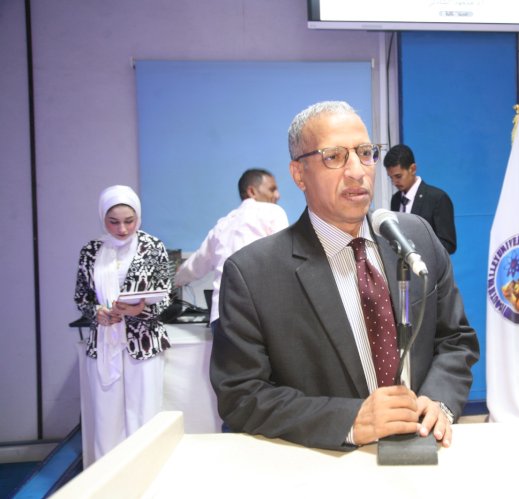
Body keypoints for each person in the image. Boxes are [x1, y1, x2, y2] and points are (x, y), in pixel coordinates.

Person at [210, 101, 479, 451]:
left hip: (422, 451)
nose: (356, 171)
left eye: (365, 153)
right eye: (334, 157)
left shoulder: (417, 238)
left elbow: (455, 339)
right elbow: (242, 395)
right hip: (325, 461)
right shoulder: (253, 274)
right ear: (299, 174)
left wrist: (439, 400)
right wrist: (349, 420)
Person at [74, 185, 172, 462]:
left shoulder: (153, 247)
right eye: (113, 222)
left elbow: (166, 297)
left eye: (129, 221)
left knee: (145, 414)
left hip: (144, 344)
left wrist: (141, 309)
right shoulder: (91, 250)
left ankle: (146, 471)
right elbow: (82, 297)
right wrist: (97, 313)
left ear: (138, 217)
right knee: (107, 417)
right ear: (102, 218)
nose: (122, 229)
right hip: (105, 343)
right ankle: (110, 476)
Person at [174, 169, 289, 331]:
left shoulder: (222, 225)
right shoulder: (273, 211)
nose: (278, 195)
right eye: (272, 189)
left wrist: (177, 278)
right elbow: (285, 259)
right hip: (259, 317)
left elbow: (196, 265)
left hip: (221, 318)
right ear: (252, 191)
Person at [384, 144, 457, 254]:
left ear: (413, 169)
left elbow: (448, 245)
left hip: (428, 264)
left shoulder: (437, 198)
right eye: (391, 178)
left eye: (398, 176)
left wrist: (416, 252)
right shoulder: (395, 199)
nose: (394, 182)